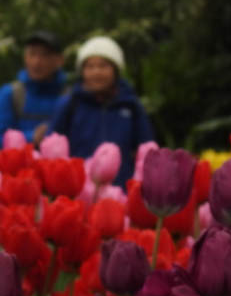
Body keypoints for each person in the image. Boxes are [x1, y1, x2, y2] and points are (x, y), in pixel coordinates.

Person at [48, 36, 155, 187]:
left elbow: (147, 149)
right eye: (90, 67)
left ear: (116, 70)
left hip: (121, 189)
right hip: (79, 189)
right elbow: (52, 145)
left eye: (103, 66)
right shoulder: (69, 104)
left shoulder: (131, 105)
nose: (96, 72)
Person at [0, 31, 67, 149]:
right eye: (32, 54)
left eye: (45, 55)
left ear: (59, 60)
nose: (36, 62)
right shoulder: (10, 94)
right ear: (25, 58)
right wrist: (31, 137)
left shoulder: (69, 97)